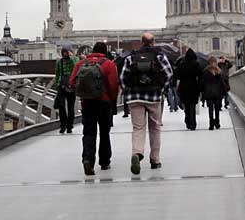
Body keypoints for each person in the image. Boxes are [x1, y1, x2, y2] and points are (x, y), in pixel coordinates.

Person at [120, 32, 173, 174]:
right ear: (153, 42)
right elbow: (169, 74)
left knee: (138, 127)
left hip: (135, 97)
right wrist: (161, 89)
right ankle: (155, 160)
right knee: (155, 128)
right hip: (153, 96)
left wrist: (128, 92)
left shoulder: (131, 57)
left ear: (141, 42)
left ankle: (137, 153)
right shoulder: (160, 56)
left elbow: (123, 77)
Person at [69, 42, 119, 175]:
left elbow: (72, 82)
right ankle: (104, 162)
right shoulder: (109, 64)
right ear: (104, 52)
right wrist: (111, 99)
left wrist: (82, 94)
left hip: (87, 103)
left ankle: (87, 160)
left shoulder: (81, 64)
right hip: (104, 102)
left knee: (89, 133)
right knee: (104, 132)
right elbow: (114, 85)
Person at [174, 48, 202, 130]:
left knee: (186, 104)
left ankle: (187, 121)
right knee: (192, 105)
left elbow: (177, 75)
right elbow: (200, 75)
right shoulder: (196, 64)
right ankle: (193, 124)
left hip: (183, 86)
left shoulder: (181, 64)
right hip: (193, 86)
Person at [54, 45, 78, 134]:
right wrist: (57, 83)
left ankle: (69, 126)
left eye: (66, 52)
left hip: (72, 86)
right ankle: (63, 124)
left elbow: (76, 68)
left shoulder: (75, 60)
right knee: (61, 106)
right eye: (64, 52)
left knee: (71, 108)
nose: (65, 54)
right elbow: (57, 73)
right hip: (62, 86)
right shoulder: (59, 62)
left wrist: (72, 58)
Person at [201, 56, 225, 130]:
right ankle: (211, 123)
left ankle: (217, 122)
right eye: (212, 62)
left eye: (214, 62)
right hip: (209, 93)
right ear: (209, 63)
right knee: (211, 109)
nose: (213, 64)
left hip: (217, 93)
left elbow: (221, 83)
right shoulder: (205, 72)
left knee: (217, 109)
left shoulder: (219, 72)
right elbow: (203, 83)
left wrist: (223, 92)